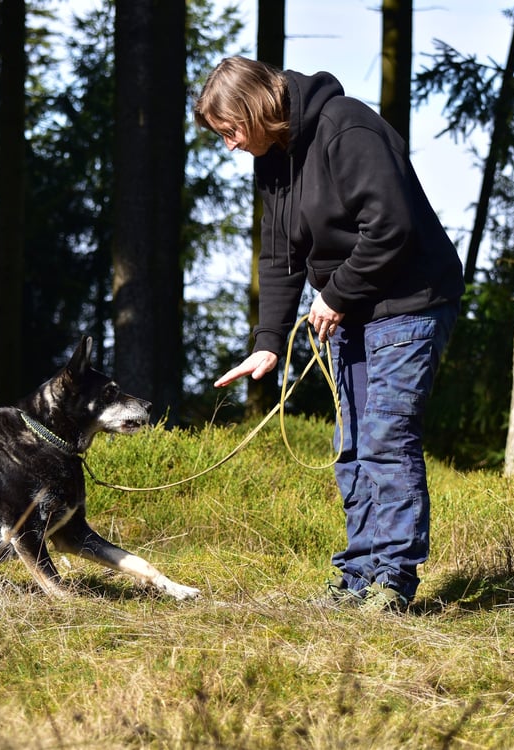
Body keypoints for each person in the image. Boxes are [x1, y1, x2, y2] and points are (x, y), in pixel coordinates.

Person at [194, 56, 464, 613]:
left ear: (255, 109)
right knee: (352, 448)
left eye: (231, 131)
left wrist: (337, 293)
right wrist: (268, 341)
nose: (231, 145)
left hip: (408, 304)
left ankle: (393, 580)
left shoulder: (348, 127)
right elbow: (279, 256)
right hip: (350, 312)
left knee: (387, 443)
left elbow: (391, 226)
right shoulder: (272, 160)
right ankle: (359, 577)